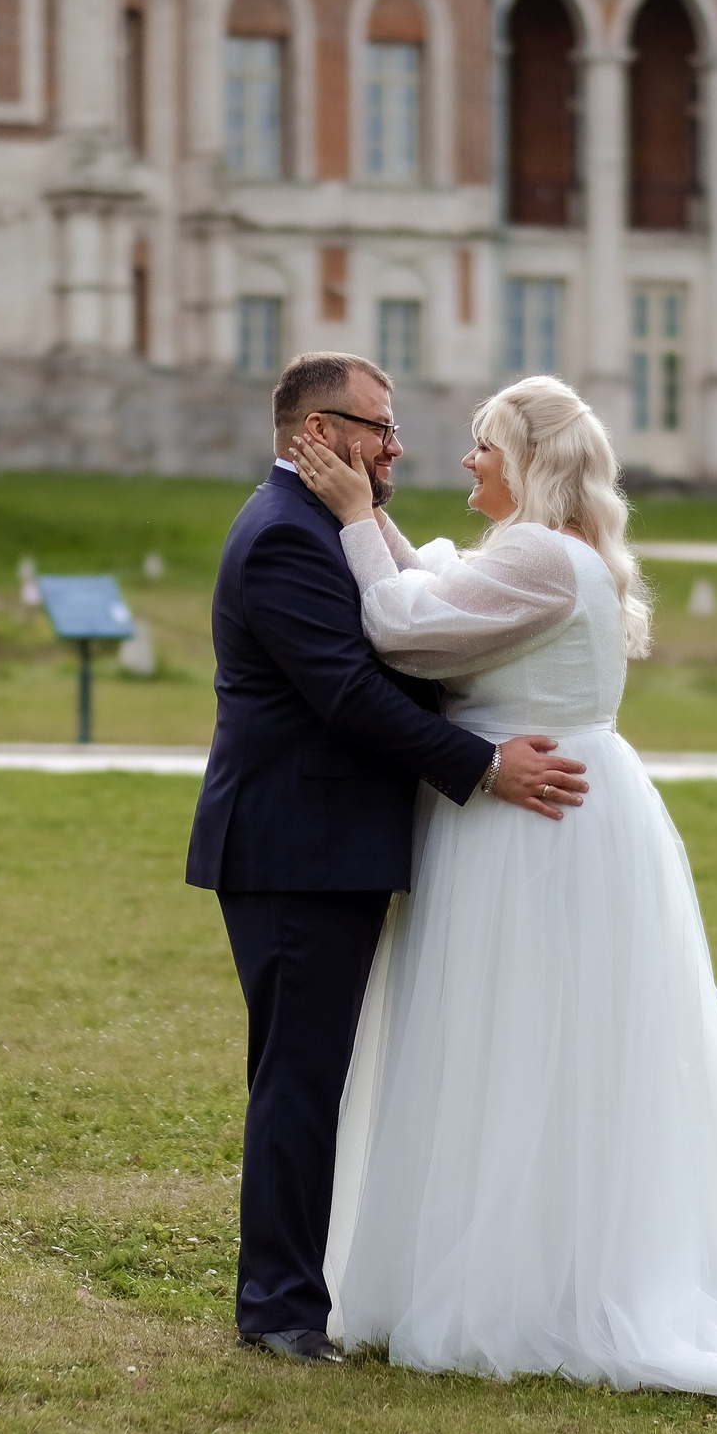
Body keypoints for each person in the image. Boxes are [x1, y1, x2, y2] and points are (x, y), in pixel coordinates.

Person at [289, 376, 717, 1404]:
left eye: (483, 446)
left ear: (525, 461)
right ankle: (540, 1258)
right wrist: (378, 523)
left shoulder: (535, 554)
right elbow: (438, 588)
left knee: (514, 1041)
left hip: (527, 828)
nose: (466, 463)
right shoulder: (551, 554)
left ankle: (529, 1285)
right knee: (555, 1045)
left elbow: (399, 629)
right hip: (564, 814)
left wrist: (355, 517)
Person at [186, 352, 592, 1366]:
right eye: (374, 426)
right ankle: (278, 1307)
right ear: (314, 432)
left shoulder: (327, 524)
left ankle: (293, 1292)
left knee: (313, 1073)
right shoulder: (284, 537)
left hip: (330, 843)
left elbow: (413, 615)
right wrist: (483, 766)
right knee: (298, 1077)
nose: (396, 445)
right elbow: (349, 696)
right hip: (295, 847)